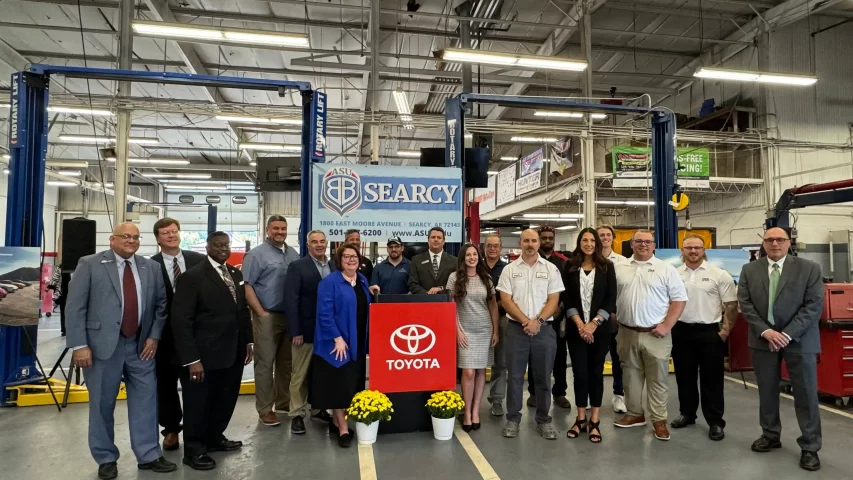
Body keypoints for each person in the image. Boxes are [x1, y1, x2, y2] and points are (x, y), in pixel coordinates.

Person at [65, 223, 176, 480]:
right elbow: (75, 307)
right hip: (101, 347)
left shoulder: (151, 267)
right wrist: (80, 345)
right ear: (112, 239)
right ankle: (106, 458)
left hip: (141, 346)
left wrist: (154, 336)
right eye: (126, 236)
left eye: (136, 237)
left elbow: (161, 306)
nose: (132, 241)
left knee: (146, 402)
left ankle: (148, 455)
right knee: (102, 404)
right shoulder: (90, 264)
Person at [738, 227, 824, 471]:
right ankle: (770, 434)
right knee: (766, 390)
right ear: (763, 243)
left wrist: (786, 334)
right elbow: (745, 304)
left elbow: (813, 306)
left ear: (789, 243)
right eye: (769, 240)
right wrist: (766, 331)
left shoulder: (809, 269)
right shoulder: (749, 269)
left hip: (800, 340)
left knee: (805, 393)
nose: (775, 243)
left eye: (780, 239)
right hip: (763, 339)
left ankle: (810, 446)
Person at [171, 232, 254, 471]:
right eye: (217, 245)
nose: (222, 249)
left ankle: (214, 436)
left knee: (224, 399)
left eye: (226, 245)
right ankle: (194, 449)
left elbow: (242, 311)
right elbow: (181, 321)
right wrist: (192, 359)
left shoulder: (235, 274)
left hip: (233, 352)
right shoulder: (192, 277)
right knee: (198, 402)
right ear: (207, 247)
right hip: (203, 356)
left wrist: (248, 341)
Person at [613, 230, 687, 442]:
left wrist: (666, 325)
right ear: (632, 245)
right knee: (630, 377)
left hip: (656, 334)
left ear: (654, 246)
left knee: (658, 380)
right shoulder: (620, 268)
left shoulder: (666, 269)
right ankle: (635, 414)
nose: (643, 245)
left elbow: (679, 300)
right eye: (639, 241)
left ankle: (659, 420)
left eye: (647, 242)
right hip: (627, 332)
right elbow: (612, 295)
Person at [497, 229, 565, 440]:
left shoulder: (551, 269)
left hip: (544, 331)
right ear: (520, 242)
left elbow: (554, 300)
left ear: (538, 244)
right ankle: (513, 419)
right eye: (526, 240)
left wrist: (539, 321)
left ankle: (544, 421)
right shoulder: (509, 269)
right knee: (515, 377)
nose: (530, 244)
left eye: (533, 240)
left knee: (544, 377)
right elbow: (506, 300)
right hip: (517, 330)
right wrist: (527, 321)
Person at [312, 243, 380, 448]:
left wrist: (370, 291)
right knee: (339, 387)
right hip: (337, 345)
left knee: (353, 384)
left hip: (357, 342)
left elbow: (357, 301)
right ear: (339, 261)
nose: (351, 260)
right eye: (346, 257)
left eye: (354, 256)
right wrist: (337, 338)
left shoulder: (361, 280)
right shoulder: (329, 282)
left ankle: (336, 421)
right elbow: (324, 314)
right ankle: (342, 428)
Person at [671, 235, 738, 441]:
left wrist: (725, 332)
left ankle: (715, 421)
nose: (693, 251)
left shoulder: (719, 274)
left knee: (713, 380)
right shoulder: (673, 274)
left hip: (710, 332)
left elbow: (731, 305)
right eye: (688, 247)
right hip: (681, 331)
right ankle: (688, 414)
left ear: (704, 250)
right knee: (684, 377)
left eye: (697, 248)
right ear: (682, 250)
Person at [149, 217, 206, 451]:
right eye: (165, 233)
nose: (171, 236)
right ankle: (171, 428)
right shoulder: (150, 266)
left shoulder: (200, 261)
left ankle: (198, 429)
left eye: (174, 231)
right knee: (165, 385)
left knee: (197, 384)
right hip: (164, 337)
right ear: (158, 238)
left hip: (196, 335)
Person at [242, 215, 299, 427]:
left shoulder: (292, 253)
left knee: (286, 363)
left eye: (283, 228)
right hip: (267, 315)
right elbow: (247, 286)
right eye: (275, 228)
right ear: (267, 230)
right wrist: (261, 313)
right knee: (265, 363)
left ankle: (284, 403)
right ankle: (265, 409)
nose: (280, 232)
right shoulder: (256, 255)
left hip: (289, 316)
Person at [563, 228, 617, 443]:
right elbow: (566, 297)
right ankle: (580, 418)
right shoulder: (570, 266)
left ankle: (595, 420)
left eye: (592, 240)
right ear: (579, 242)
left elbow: (611, 298)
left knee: (596, 373)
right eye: (584, 240)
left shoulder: (607, 266)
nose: (588, 244)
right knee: (579, 373)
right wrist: (580, 325)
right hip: (576, 330)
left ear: (597, 243)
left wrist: (594, 324)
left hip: (600, 331)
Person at [283, 230, 335, 434]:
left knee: (321, 373)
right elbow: (291, 299)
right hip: (304, 331)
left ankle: (318, 409)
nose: (319, 245)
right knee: (300, 374)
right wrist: (295, 330)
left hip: (327, 332)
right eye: (315, 242)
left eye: (322, 241)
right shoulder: (297, 267)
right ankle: (296, 413)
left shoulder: (333, 266)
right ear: (308, 245)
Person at [446, 244, 499, 432]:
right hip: (465, 330)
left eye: (474, 254)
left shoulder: (486, 278)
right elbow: (451, 306)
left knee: (479, 372)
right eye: (468, 254)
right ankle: (466, 411)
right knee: (467, 372)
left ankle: (476, 411)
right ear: (463, 258)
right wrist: (457, 330)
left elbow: (493, 305)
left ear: (479, 257)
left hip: (484, 329)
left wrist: (495, 331)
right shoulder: (454, 278)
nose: (472, 257)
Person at [527, 226, 571, 410]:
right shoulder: (530, 262)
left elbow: (568, 290)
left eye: (549, 238)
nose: (546, 241)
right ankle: (534, 393)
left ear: (554, 239)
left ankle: (559, 392)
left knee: (559, 356)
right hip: (534, 318)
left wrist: (558, 310)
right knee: (534, 355)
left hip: (557, 319)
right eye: (543, 238)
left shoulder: (564, 262)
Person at [597, 224, 627, 415]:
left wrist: (616, 312)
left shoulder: (623, 262)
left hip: (616, 319)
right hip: (595, 319)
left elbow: (623, 291)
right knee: (596, 359)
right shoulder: (589, 261)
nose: (605, 238)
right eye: (601, 235)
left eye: (608, 235)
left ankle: (619, 396)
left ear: (613, 238)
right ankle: (595, 397)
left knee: (618, 359)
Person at [483, 234, 509, 417]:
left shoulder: (507, 269)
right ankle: (469, 400)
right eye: (489, 246)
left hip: (501, 318)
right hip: (474, 319)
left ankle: (497, 399)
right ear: (484, 248)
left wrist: (492, 307)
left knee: (501, 361)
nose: (492, 249)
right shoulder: (476, 266)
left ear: (501, 249)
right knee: (472, 362)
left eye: (496, 246)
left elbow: (510, 296)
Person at [408, 227, 457, 294]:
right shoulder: (416, 260)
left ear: (443, 241)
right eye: (433, 237)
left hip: (446, 301)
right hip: (423, 302)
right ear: (428, 240)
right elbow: (412, 284)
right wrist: (427, 294)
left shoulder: (454, 261)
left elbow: (457, 283)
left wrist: (441, 288)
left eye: (439, 237)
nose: (436, 240)